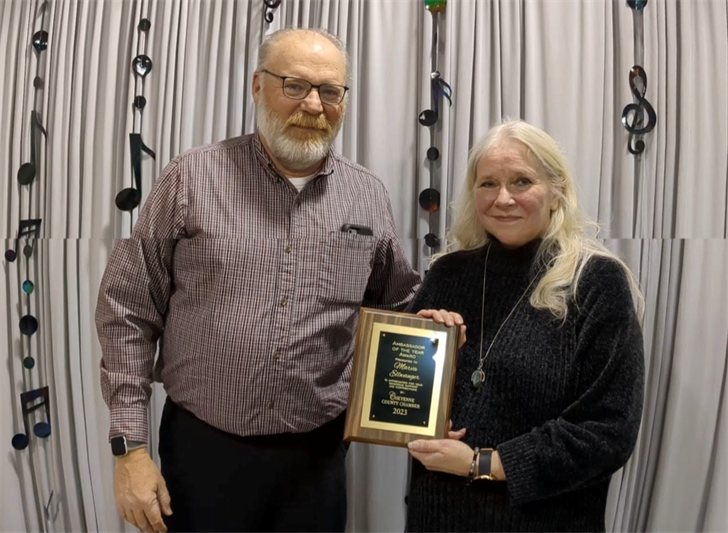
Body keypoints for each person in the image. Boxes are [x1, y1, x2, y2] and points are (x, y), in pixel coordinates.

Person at [96, 28, 420, 533]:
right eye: (294, 85)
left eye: (330, 90)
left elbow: (399, 304)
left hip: (317, 458)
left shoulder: (368, 196)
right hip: (203, 450)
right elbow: (127, 311)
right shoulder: (191, 178)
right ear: (256, 86)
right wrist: (130, 450)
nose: (313, 104)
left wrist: (434, 331)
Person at [405, 119, 645, 533]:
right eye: (488, 184)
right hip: (438, 515)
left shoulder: (595, 283)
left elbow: (607, 430)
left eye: (521, 182)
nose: (503, 199)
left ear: (557, 193)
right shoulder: (446, 275)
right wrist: (422, 360)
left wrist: (485, 464)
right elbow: (404, 407)